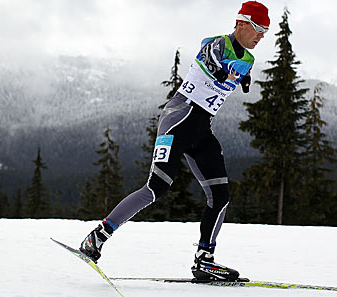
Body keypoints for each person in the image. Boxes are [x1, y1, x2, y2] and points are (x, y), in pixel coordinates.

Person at [80, 1, 270, 281]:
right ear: (241, 23)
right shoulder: (216, 44)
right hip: (178, 120)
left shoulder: (249, 59)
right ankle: (96, 238)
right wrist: (229, 72)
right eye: (257, 28)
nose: (261, 36)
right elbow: (215, 61)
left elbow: (240, 73)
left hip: (201, 128)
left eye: (265, 31)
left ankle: (205, 260)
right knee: (155, 188)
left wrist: (243, 78)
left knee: (220, 196)